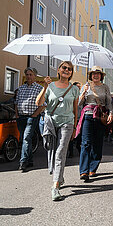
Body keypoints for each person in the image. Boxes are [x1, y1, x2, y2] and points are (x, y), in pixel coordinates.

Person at [36, 61, 79, 201]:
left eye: (70, 69)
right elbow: (39, 103)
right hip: (51, 123)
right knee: (50, 149)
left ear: (71, 73)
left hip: (67, 122)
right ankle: (59, 177)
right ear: (59, 70)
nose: (67, 70)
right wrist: (45, 87)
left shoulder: (74, 89)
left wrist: (74, 127)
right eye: (64, 68)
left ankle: (55, 186)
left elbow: (75, 110)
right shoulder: (50, 86)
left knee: (60, 152)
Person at [77, 66, 113, 181]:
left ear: (101, 76)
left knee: (97, 144)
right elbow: (79, 103)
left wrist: (111, 113)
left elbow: (109, 103)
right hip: (87, 115)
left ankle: (93, 167)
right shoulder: (86, 86)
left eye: (98, 74)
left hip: (100, 117)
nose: (95, 75)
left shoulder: (105, 87)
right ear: (91, 75)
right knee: (86, 143)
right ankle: (84, 171)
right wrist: (83, 93)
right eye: (93, 74)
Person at [15, 67, 44, 172]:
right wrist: (17, 114)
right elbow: (17, 103)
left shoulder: (39, 88)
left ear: (35, 76)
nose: (28, 76)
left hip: (31, 117)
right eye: (27, 74)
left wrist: (34, 115)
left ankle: (23, 162)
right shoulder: (21, 88)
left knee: (26, 138)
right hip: (21, 117)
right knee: (24, 138)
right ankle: (30, 160)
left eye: (31, 74)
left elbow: (43, 105)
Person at [67, 82, 82, 158]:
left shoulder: (81, 96)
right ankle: (71, 152)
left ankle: (79, 150)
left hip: (80, 119)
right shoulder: (71, 96)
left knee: (79, 137)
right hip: (72, 119)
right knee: (71, 137)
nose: (78, 89)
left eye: (79, 87)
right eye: (77, 87)